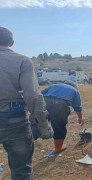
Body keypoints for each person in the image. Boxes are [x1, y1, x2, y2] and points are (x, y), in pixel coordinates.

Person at [0, 27, 53, 179]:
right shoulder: (22, 61)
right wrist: (43, 125)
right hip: (14, 120)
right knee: (21, 171)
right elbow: (33, 96)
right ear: (12, 43)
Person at [41, 81, 84, 154]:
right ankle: (58, 148)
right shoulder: (75, 91)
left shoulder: (54, 85)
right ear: (75, 86)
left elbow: (40, 94)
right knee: (59, 126)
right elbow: (77, 107)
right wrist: (80, 117)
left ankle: (29, 140)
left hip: (45, 102)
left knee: (39, 122)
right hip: (60, 105)